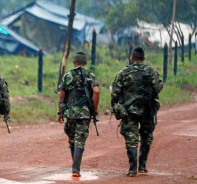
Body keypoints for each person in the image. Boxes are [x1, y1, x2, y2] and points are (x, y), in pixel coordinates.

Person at [111, 47, 163, 177]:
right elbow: (158, 87)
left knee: (131, 138)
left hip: (129, 111)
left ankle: (132, 169)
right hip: (147, 109)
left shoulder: (124, 72)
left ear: (132, 58)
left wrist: (115, 105)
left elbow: (115, 92)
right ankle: (143, 166)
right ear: (143, 58)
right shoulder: (151, 72)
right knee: (146, 137)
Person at [57, 52, 100, 177]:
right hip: (84, 114)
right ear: (86, 63)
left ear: (73, 62)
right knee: (79, 140)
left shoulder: (68, 76)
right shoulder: (90, 75)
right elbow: (96, 91)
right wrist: (95, 109)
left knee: (72, 140)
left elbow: (61, 96)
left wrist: (60, 112)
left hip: (70, 114)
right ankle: (76, 169)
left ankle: (74, 166)